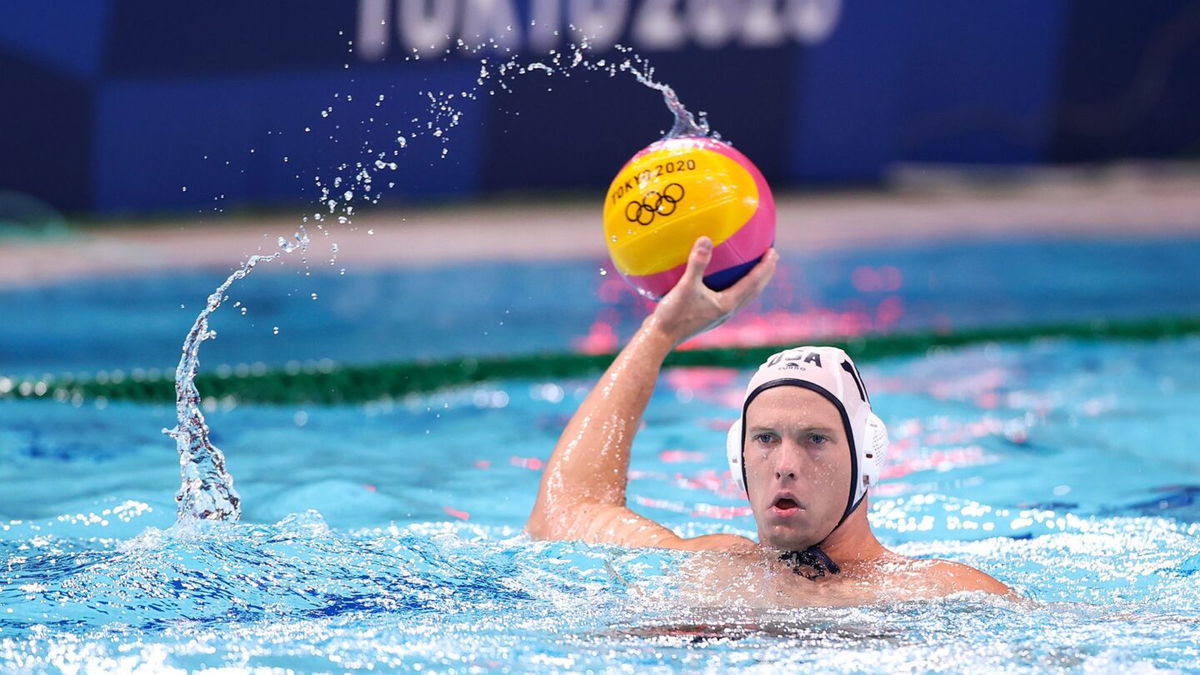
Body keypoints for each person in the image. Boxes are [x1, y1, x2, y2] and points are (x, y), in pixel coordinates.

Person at [526, 237, 1011, 605]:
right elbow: (563, 513)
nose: (784, 464)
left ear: (867, 458)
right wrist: (662, 331)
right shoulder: (706, 565)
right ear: (737, 459)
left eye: (815, 439)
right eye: (765, 439)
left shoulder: (938, 591)